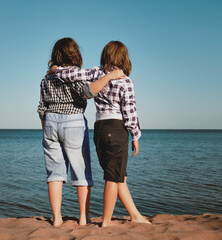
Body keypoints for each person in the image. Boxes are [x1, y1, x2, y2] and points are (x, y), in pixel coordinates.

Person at [51, 41, 150, 227]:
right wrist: (136, 135)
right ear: (124, 58)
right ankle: (105, 222)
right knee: (113, 177)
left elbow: (74, 73)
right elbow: (130, 111)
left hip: (99, 129)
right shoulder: (125, 81)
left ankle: (135, 214)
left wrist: (56, 70)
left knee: (118, 175)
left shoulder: (97, 73)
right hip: (116, 128)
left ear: (105, 56)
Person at [37, 37, 125, 227]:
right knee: (81, 172)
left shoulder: (46, 77)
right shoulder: (75, 74)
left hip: (50, 122)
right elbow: (87, 92)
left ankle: (57, 218)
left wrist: (46, 128)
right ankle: (84, 218)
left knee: (55, 173)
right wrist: (107, 77)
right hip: (74, 120)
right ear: (75, 54)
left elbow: (41, 107)